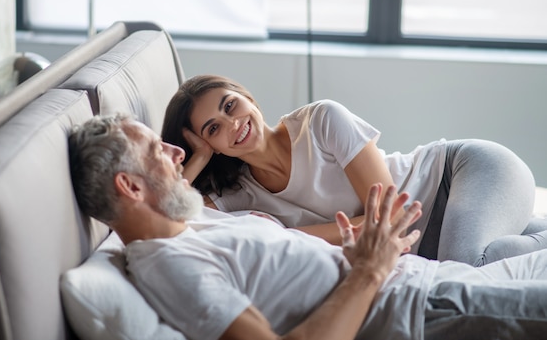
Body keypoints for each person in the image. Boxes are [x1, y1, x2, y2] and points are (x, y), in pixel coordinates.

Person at [68, 113, 547, 340]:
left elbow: (184, 194)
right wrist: (369, 271)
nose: (177, 154)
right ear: (130, 188)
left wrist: (195, 158)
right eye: (159, 149)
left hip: (425, 280)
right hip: (419, 308)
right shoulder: (171, 266)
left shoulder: (194, 226)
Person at [161, 74, 547, 266]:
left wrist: (291, 234)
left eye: (230, 106)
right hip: (432, 232)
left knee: (470, 268)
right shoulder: (239, 195)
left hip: (461, 173)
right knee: (502, 250)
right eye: (213, 128)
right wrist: (196, 159)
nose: (232, 125)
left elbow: (390, 215)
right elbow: (167, 215)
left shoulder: (320, 121)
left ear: (245, 96)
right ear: (208, 143)